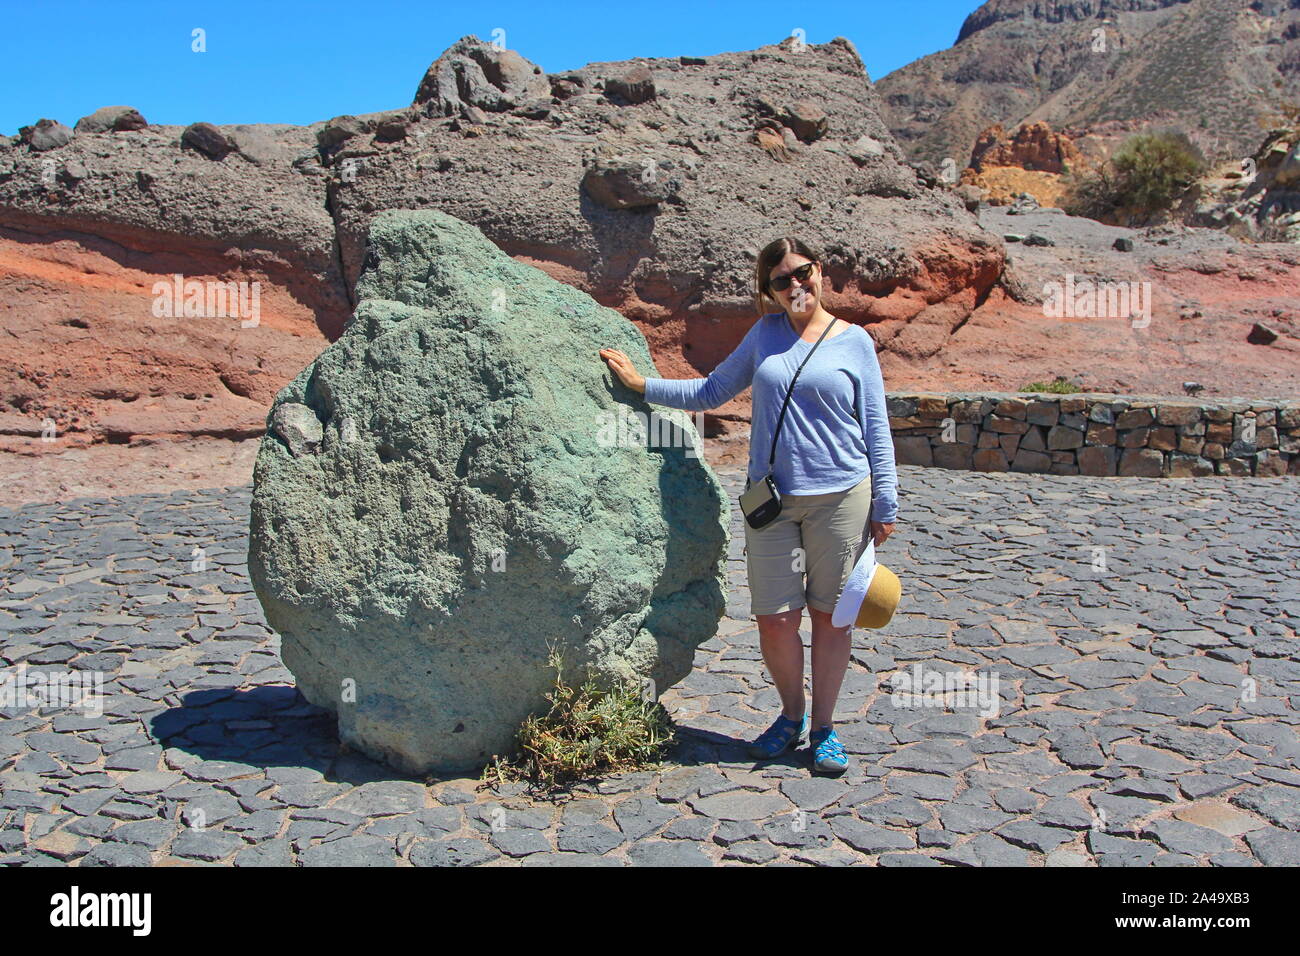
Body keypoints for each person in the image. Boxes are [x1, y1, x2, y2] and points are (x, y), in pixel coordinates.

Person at [599, 237, 899, 774]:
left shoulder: (854, 343)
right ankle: (791, 716)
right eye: (781, 280)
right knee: (775, 620)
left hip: (842, 497)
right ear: (770, 291)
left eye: (801, 273)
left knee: (831, 619)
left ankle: (825, 729)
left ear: (819, 270)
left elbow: (875, 425)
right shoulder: (764, 335)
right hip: (773, 503)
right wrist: (642, 385)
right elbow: (713, 392)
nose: (795, 286)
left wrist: (886, 501)